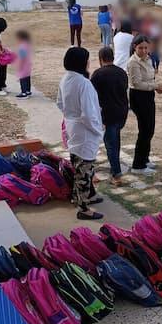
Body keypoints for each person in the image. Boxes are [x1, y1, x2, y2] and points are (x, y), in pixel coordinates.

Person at [56, 47, 104, 221]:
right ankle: (83, 208)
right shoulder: (83, 83)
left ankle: (84, 196)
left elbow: (59, 103)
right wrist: (98, 130)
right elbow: (89, 114)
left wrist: (71, 116)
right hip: (85, 130)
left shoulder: (66, 79)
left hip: (72, 126)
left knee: (78, 163)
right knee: (84, 168)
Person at [128, 35, 162, 175]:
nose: (144, 50)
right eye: (140, 48)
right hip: (138, 96)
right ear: (134, 47)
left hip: (148, 95)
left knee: (150, 129)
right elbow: (137, 83)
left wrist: (156, 87)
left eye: (145, 47)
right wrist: (155, 86)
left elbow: (150, 78)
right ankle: (138, 165)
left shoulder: (148, 59)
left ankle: (145, 158)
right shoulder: (133, 62)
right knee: (144, 130)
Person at [91, 46, 129, 187]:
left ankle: (116, 174)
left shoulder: (98, 74)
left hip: (108, 114)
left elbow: (92, 96)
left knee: (111, 145)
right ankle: (116, 169)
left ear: (100, 59)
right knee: (115, 141)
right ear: (112, 57)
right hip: (122, 112)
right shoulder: (121, 73)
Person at [14, 29, 33, 98]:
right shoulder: (27, 44)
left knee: (22, 79)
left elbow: (22, 58)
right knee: (27, 77)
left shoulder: (21, 47)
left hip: (23, 65)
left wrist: (19, 66)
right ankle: (28, 91)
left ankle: (23, 93)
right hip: (28, 64)